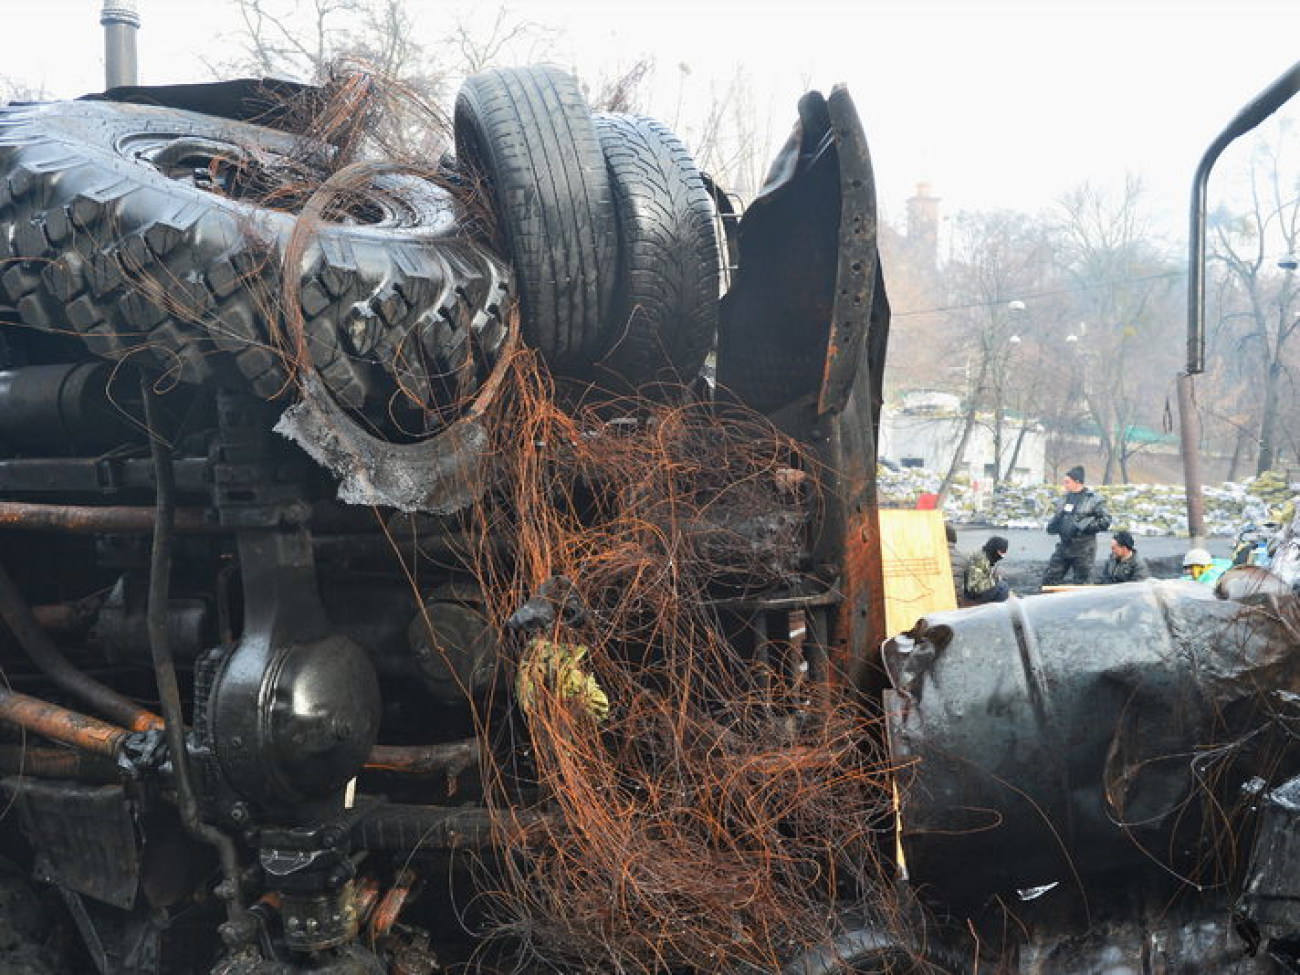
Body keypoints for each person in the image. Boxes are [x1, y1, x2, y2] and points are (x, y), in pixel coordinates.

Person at [1043, 465, 1111, 585]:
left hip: (1083, 549)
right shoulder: (1064, 499)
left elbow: (1106, 520)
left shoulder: (1093, 499)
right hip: (1064, 546)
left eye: (1067, 482)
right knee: (1050, 578)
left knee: (1082, 582)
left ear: (1078, 482)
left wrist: (1085, 527)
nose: (1065, 485)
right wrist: (1054, 525)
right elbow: (1058, 517)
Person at [963, 535, 1010, 604]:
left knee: (1003, 584)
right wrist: (996, 580)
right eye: (1001, 552)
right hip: (972, 596)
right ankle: (997, 611)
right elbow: (975, 587)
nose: (1002, 556)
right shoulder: (980, 560)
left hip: (976, 593)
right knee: (1002, 587)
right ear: (994, 549)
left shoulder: (987, 558)